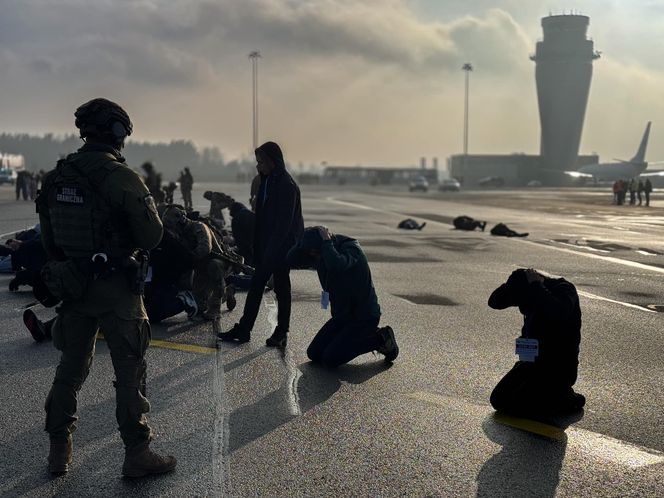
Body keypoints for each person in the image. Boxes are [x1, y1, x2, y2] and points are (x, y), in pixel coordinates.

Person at [36, 98, 176, 477]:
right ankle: (137, 452)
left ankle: (58, 449)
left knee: (70, 369)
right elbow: (151, 236)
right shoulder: (121, 176)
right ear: (117, 132)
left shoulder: (57, 177)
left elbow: (49, 244)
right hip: (117, 289)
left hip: (74, 287)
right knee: (129, 372)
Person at [218, 141, 303, 347]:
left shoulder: (286, 185)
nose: (258, 166)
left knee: (275, 288)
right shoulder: (268, 181)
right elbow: (262, 218)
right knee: (267, 286)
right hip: (269, 245)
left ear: (272, 162)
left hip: (283, 247)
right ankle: (250, 329)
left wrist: (270, 253)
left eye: (261, 162)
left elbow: (283, 225)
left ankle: (273, 331)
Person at [287, 226, 399, 366]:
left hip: (363, 317)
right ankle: (357, 337)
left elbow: (337, 265)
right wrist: (300, 242)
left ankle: (381, 339)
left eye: (315, 252)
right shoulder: (321, 253)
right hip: (342, 317)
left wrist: (326, 242)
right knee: (314, 354)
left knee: (330, 359)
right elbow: (291, 260)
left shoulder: (351, 248)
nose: (314, 257)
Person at [488, 268, 585, 417]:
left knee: (532, 409)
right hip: (531, 363)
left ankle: (566, 396)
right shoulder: (524, 288)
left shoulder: (563, 289)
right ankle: (552, 397)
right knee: (499, 400)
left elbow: (558, 312)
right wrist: (509, 284)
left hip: (558, 365)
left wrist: (536, 286)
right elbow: (494, 302)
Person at [161, 204, 229, 320]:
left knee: (214, 265)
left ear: (181, 220)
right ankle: (227, 293)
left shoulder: (199, 227)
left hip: (216, 263)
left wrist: (188, 260)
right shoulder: (179, 234)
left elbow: (205, 249)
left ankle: (215, 307)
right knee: (199, 307)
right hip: (199, 268)